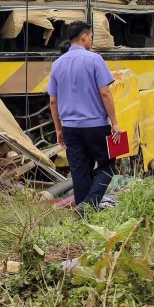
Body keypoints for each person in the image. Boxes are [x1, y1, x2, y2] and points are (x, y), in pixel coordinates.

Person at [48, 20, 121, 210]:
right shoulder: (94, 59)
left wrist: (58, 129)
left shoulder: (57, 64)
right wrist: (114, 123)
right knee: (108, 166)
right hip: (96, 126)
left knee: (79, 171)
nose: (91, 41)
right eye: (91, 37)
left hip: (70, 128)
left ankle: (85, 214)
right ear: (84, 37)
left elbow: (53, 101)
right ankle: (88, 204)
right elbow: (105, 93)